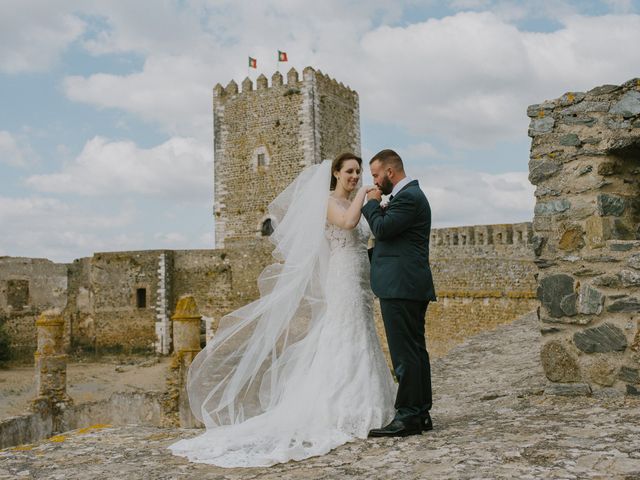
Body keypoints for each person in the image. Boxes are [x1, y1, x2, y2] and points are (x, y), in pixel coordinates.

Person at [168, 154, 396, 467]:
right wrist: (364, 196)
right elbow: (347, 223)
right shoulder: (328, 202)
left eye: (358, 172)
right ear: (336, 174)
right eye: (350, 171)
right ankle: (340, 408)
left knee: (363, 334)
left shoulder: (355, 200)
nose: (355, 176)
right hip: (341, 278)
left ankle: (368, 403)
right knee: (345, 333)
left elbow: (367, 232)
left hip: (360, 277)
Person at [361, 149, 437, 438]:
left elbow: (381, 228)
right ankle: (420, 413)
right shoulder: (409, 198)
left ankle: (407, 416)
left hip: (401, 286)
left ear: (390, 172)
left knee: (405, 355)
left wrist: (371, 203)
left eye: (376, 175)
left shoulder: (409, 197)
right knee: (415, 352)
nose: (376, 182)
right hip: (407, 285)